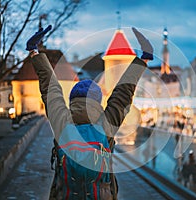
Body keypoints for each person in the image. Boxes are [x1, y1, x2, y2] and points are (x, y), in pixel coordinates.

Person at [26, 25, 153, 199]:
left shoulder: (63, 121)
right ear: (98, 101)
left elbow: (51, 89)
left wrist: (35, 52)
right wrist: (143, 60)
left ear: (72, 100)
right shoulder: (106, 123)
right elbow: (122, 93)